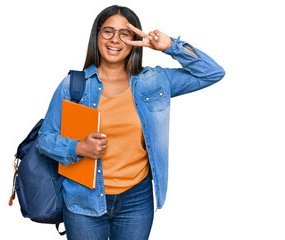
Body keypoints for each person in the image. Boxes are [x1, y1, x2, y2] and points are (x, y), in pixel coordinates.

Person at [36, 5, 225, 240]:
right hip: (84, 198)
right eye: (108, 31)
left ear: (135, 39)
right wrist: (78, 148)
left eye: (124, 33)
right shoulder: (73, 85)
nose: (115, 39)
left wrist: (170, 47)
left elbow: (212, 73)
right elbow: (44, 140)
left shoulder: (155, 81)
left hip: (136, 199)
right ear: (96, 35)